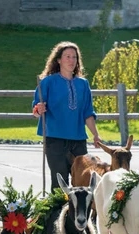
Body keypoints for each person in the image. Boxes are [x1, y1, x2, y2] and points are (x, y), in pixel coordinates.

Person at [32, 41, 101, 191]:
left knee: (82, 181)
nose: (71, 60)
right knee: (60, 182)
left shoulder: (83, 84)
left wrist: (95, 134)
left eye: (74, 57)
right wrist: (39, 109)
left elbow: (88, 113)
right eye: (67, 56)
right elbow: (36, 110)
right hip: (54, 139)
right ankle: (59, 213)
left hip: (78, 140)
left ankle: (80, 213)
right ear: (58, 60)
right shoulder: (47, 82)